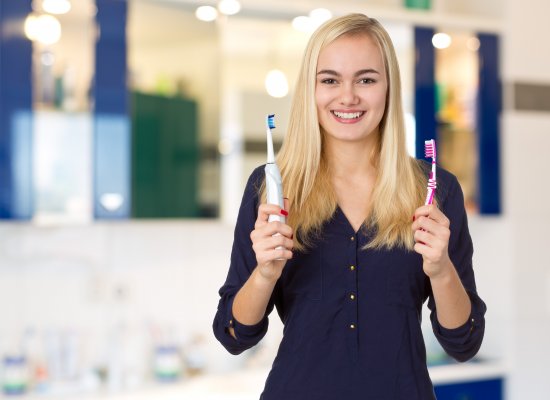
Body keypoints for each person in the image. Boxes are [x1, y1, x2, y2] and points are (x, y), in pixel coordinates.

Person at [213, 13, 486, 400]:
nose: (348, 96)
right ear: (311, 89)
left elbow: (464, 342)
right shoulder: (271, 187)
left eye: (366, 79)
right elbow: (234, 335)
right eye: (330, 80)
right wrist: (264, 273)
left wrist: (441, 271)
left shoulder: (433, 190)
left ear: (388, 88)